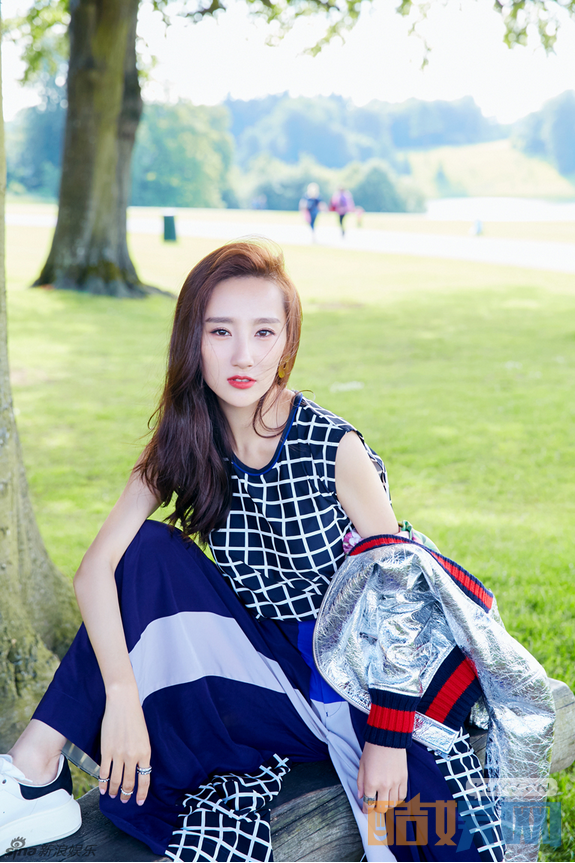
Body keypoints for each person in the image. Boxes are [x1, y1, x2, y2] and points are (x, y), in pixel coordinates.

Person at [0, 240, 508, 863]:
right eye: (221, 331)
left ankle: (38, 770)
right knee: (148, 550)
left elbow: (399, 595)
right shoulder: (189, 437)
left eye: (264, 332)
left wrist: (389, 737)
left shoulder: (332, 447)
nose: (244, 355)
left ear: (286, 342)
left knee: (433, 834)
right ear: (193, 340)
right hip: (265, 668)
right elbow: (96, 570)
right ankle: (34, 769)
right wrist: (123, 695)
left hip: (360, 683)